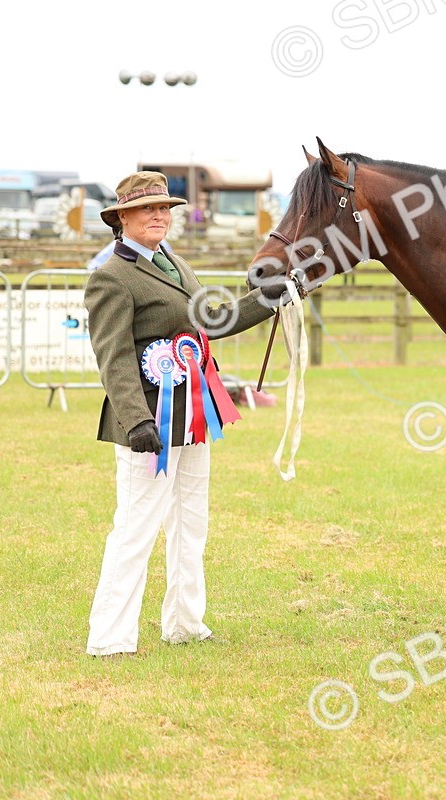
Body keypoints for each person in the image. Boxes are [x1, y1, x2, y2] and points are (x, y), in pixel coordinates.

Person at [84, 171, 284, 657]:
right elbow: (113, 357)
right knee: (136, 527)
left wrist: (271, 298)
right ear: (122, 218)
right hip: (149, 423)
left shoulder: (176, 263)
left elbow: (210, 322)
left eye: (165, 208)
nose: (159, 215)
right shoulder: (112, 276)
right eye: (148, 208)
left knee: (191, 523)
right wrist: (135, 419)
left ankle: (185, 623)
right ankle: (110, 637)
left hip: (194, 415)